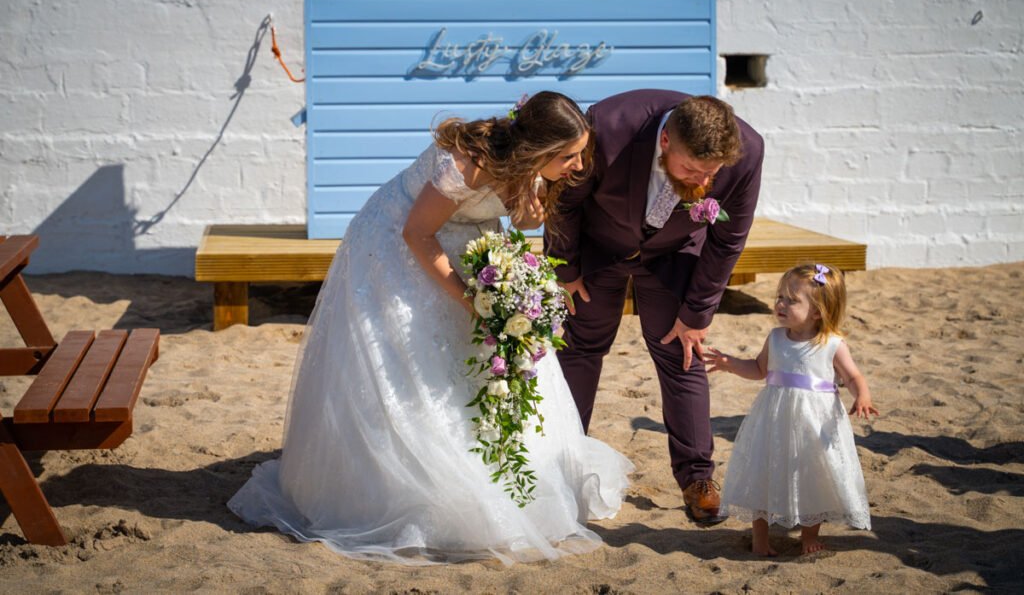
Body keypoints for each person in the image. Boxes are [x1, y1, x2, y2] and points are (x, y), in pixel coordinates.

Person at [228, 92, 633, 565]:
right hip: (400, 247)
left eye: (581, 152)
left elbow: (518, 220)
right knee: (417, 365)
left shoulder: (524, 164)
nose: (579, 164)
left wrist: (530, 201)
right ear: (538, 149)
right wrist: (471, 302)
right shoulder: (466, 167)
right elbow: (416, 233)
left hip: (468, 244)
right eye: (568, 156)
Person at [544, 89, 764, 524]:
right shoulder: (606, 128)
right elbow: (565, 202)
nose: (702, 182)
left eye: (711, 173)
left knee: (682, 352)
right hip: (599, 247)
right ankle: (560, 467)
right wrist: (566, 268)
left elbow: (728, 238)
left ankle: (698, 478)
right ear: (665, 142)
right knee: (581, 350)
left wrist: (697, 313)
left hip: (675, 252)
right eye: (691, 169)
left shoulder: (748, 150)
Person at [706, 263, 878, 555]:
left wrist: (862, 395)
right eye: (779, 297)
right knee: (764, 472)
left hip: (815, 423)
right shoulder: (775, 338)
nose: (780, 304)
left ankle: (809, 536)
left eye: (791, 300)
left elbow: (852, 376)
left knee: (813, 474)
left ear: (817, 311)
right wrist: (730, 364)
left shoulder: (832, 344)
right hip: (775, 419)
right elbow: (759, 369)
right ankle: (760, 539)